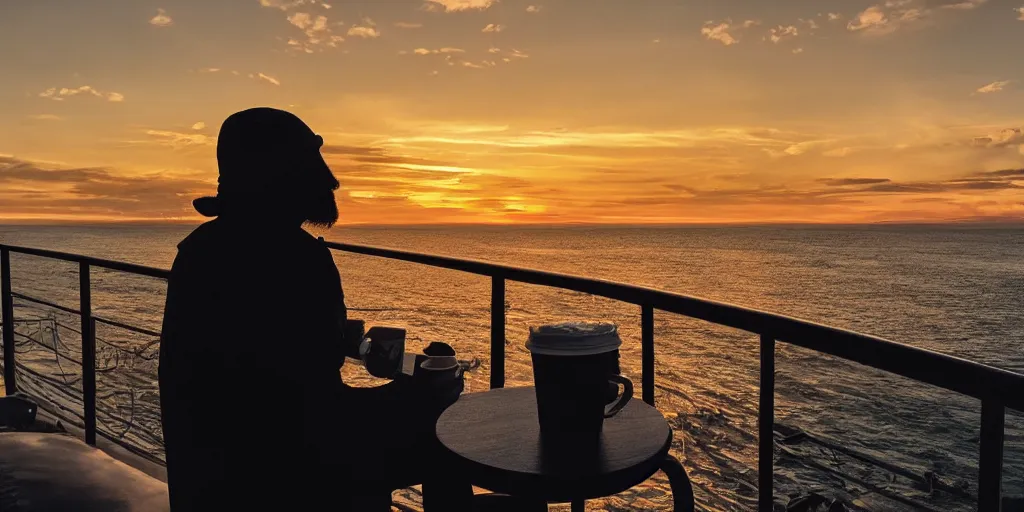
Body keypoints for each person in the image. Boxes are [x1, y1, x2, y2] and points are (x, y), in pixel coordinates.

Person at [158, 108, 467, 511]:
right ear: (282, 175)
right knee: (446, 433)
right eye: (313, 162)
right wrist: (411, 396)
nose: (331, 179)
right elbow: (312, 420)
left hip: (212, 479)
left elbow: (271, 382)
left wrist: (340, 343)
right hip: (288, 479)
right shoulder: (296, 260)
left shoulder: (201, 251)